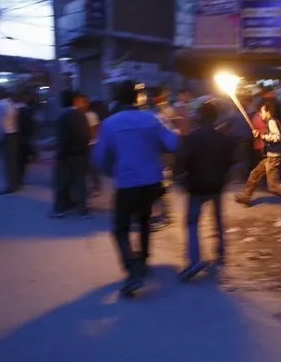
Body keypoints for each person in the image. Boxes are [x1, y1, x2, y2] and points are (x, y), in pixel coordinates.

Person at [93, 80, 179, 295]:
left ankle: (133, 271)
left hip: (127, 183)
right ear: (138, 98)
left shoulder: (110, 124)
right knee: (143, 220)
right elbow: (173, 144)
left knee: (120, 229)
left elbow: (100, 158)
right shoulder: (153, 119)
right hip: (152, 183)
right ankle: (143, 261)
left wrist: (113, 172)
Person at [174, 101, 234, 281]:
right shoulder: (223, 139)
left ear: (199, 118)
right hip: (216, 184)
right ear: (215, 118)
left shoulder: (191, 138)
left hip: (197, 186)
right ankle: (221, 252)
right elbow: (229, 162)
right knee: (218, 219)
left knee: (192, 222)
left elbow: (181, 162)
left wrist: (180, 179)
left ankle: (195, 259)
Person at [235, 101, 281, 220]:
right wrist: (260, 135)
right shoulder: (273, 122)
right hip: (269, 157)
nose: (260, 114)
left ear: (268, 112)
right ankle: (245, 196)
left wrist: (261, 136)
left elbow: (276, 137)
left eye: (262, 111)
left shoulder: (271, 122)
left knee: (274, 187)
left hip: (273, 158)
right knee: (255, 174)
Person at [52, 90, 91, 218]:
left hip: (66, 155)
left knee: (62, 182)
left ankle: (60, 209)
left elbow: (62, 139)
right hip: (81, 154)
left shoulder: (63, 117)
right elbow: (86, 135)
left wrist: (60, 152)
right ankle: (82, 209)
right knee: (80, 182)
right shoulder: (82, 115)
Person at [151, 88, 180, 231]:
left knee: (163, 184)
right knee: (160, 185)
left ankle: (164, 215)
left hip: (163, 156)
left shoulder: (165, 111)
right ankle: (162, 214)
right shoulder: (155, 115)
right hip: (159, 156)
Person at [0, 89, 19, 195]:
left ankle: (10, 186)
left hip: (5, 135)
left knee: (8, 162)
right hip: (14, 133)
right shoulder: (11, 104)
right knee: (13, 161)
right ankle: (15, 183)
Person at [76, 94, 102, 195]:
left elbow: (95, 129)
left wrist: (91, 138)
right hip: (84, 143)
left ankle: (96, 186)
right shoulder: (78, 115)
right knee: (86, 167)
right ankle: (89, 186)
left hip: (91, 143)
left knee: (91, 166)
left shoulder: (91, 115)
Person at [15, 90, 35, 187]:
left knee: (21, 159)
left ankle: (19, 179)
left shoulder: (16, 108)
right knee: (23, 159)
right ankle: (20, 179)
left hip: (19, 136)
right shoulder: (23, 109)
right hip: (23, 136)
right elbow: (27, 124)